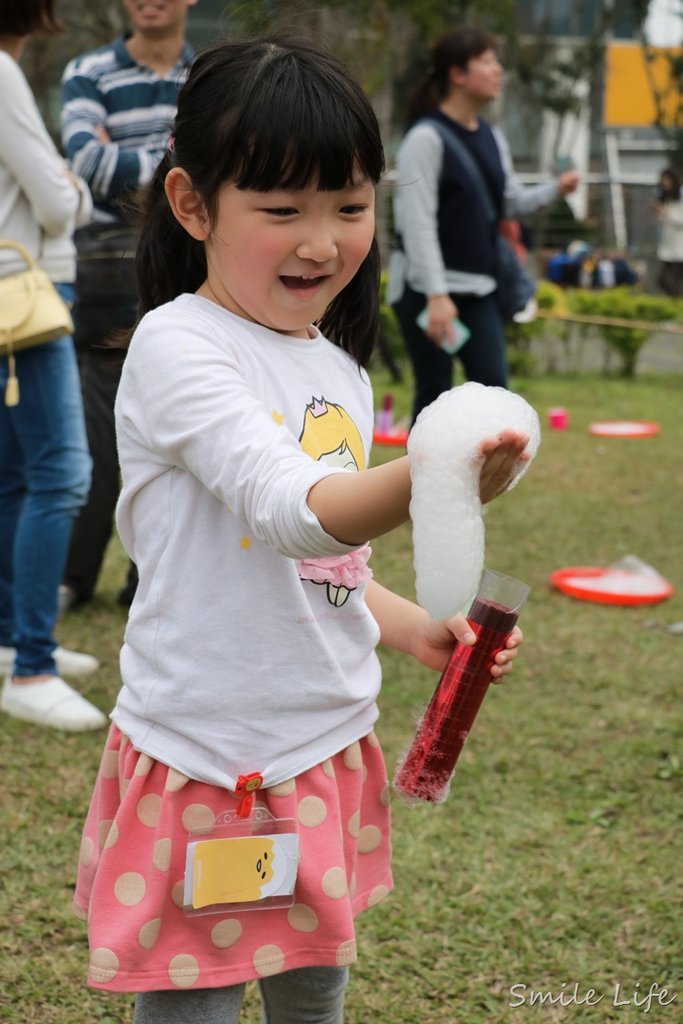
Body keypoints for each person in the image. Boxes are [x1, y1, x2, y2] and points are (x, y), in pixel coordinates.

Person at [73, 37, 528, 1023]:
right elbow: (287, 510)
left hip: (321, 744)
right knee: (192, 1005)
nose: (321, 241)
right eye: (281, 211)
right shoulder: (177, 347)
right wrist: (433, 468)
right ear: (193, 205)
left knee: (314, 989)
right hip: (205, 752)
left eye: (348, 207)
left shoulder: (336, 369)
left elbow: (327, 561)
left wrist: (412, 626)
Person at [57, 0, 196, 613]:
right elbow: (87, 163)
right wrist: (176, 164)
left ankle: (154, 580)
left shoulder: (210, 74)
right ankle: (74, 579)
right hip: (108, 270)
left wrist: (130, 160)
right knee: (95, 437)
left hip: (186, 266)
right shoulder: (87, 71)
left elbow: (220, 165)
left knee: (177, 432)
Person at [0, 0, 105, 732]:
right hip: (28, 291)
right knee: (62, 472)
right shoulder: (2, 72)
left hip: (14, 291)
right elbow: (59, 202)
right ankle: (29, 663)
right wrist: (76, 184)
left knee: (15, 474)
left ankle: (12, 640)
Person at [387, 26, 580, 424]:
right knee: (433, 399)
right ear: (457, 74)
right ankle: (423, 488)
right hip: (427, 293)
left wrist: (555, 191)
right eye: (488, 61)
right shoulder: (425, 138)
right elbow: (417, 223)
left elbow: (508, 202)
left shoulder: (492, 136)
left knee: (495, 393)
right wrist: (437, 296)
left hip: (478, 290)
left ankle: (479, 485)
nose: (499, 70)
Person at [652, 167, 683, 297]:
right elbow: (664, 222)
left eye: (667, 179)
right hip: (668, 247)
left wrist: (665, 213)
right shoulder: (667, 198)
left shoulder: (681, 195)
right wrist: (658, 213)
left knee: (669, 280)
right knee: (664, 280)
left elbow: (680, 221)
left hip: (679, 248)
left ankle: (678, 308)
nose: (664, 182)